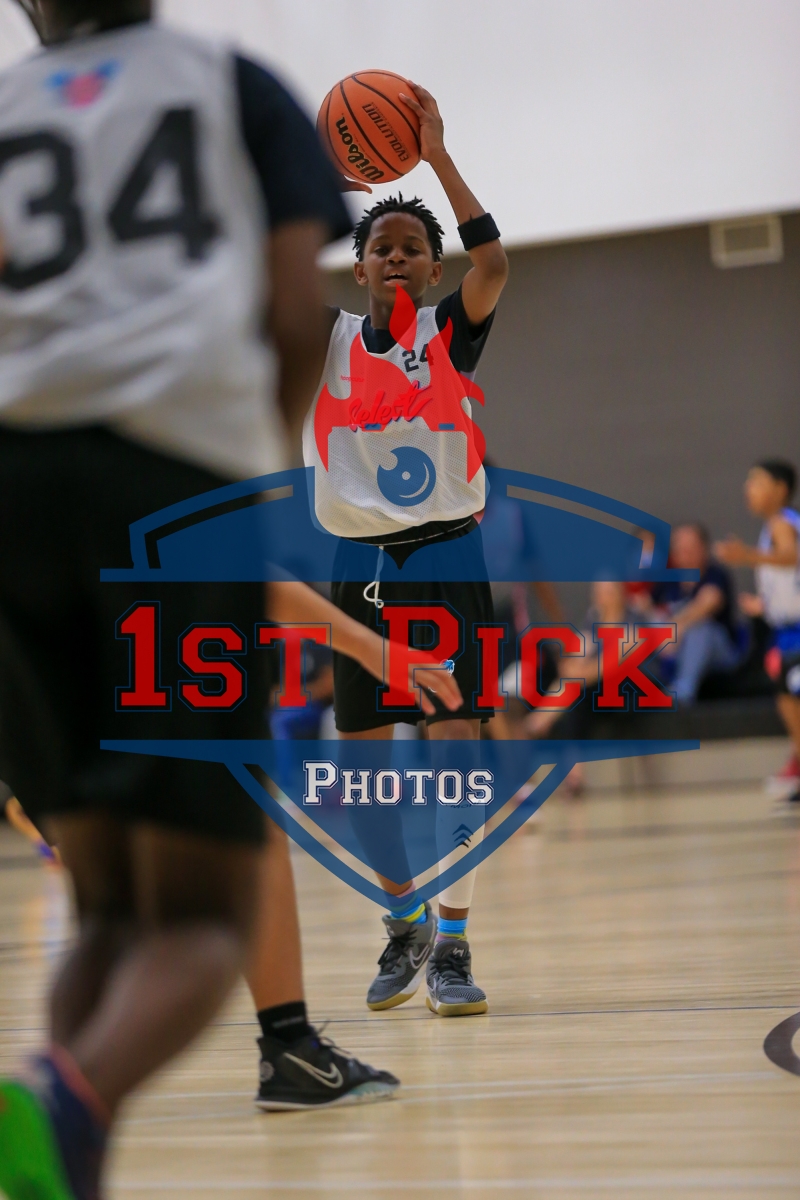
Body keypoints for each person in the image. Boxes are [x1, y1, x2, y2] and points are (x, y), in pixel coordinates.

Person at [0, 1, 395, 1192]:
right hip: (164, 483)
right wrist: (247, 469)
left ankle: (59, 1139)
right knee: (202, 918)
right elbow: (291, 312)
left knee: (109, 911)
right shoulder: (232, 85)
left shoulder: (7, 111)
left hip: (17, 493)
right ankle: (57, 1094)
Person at [305, 83, 509, 1015]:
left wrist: (436, 159)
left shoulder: (446, 333)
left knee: (457, 752)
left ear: (431, 270)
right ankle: (405, 922)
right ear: (359, 269)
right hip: (358, 568)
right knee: (363, 775)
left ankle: (455, 944)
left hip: (446, 559)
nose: (396, 255)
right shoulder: (329, 338)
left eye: (412, 248)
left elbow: (493, 260)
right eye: (380, 246)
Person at [716, 460, 800, 805]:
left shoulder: (782, 523)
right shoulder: (776, 526)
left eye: (757, 482)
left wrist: (747, 556)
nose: (748, 489)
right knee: (786, 695)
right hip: (786, 630)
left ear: (780, 489)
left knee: (789, 693)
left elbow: (790, 557)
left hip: (796, 633)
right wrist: (764, 606)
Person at [650, 523, 742, 705]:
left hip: (720, 652)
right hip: (674, 649)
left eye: (691, 547)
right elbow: (647, 608)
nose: (685, 553)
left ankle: (683, 691)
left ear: (704, 549)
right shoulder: (668, 581)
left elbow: (709, 601)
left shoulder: (715, 574)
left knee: (700, 628)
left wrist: (677, 626)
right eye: (680, 548)